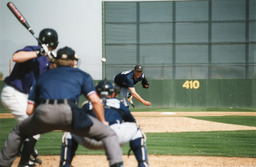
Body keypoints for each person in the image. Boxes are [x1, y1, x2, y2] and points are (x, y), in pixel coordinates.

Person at [0, 47, 124, 167]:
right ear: (73, 62)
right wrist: (103, 121)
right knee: (109, 134)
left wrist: (39, 121)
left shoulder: (43, 76)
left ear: (56, 61)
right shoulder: (82, 75)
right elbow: (96, 101)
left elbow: (29, 110)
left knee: (17, 132)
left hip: (44, 113)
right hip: (70, 114)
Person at [0, 28, 59, 166]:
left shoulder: (47, 59)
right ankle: (24, 161)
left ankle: (28, 152)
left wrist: (53, 60)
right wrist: (39, 52)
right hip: (13, 93)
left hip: (24, 96)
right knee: (34, 126)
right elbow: (16, 57)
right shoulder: (32, 49)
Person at [60, 80, 149, 167]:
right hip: (114, 138)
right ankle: (143, 164)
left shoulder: (88, 104)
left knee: (70, 132)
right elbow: (132, 121)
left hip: (91, 139)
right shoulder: (117, 103)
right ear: (113, 93)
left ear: (96, 93)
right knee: (136, 129)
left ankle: (65, 164)